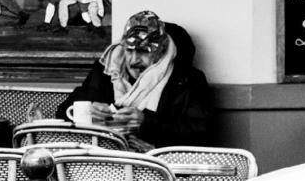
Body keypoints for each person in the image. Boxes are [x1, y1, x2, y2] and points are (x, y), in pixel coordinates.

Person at [61, 10, 215, 146]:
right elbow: (63, 111)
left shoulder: (188, 79)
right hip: (105, 156)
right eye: (129, 50)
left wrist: (146, 122)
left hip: (156, 162)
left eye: (143, 51)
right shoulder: (107, 69)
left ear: (161, 50)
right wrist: (88, 110)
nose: (134, 60)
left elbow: (201, 133)